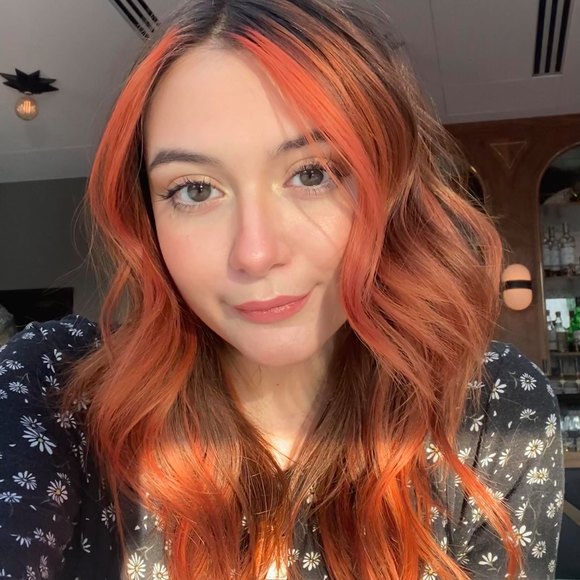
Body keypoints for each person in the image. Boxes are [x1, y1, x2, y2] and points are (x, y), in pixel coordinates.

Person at [0, 1, 565, 578]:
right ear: (147, 216)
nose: (255, 253)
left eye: (312, 174)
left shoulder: (489, 410)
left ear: (390, 188)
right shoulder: (56, 388)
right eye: (195, 189)